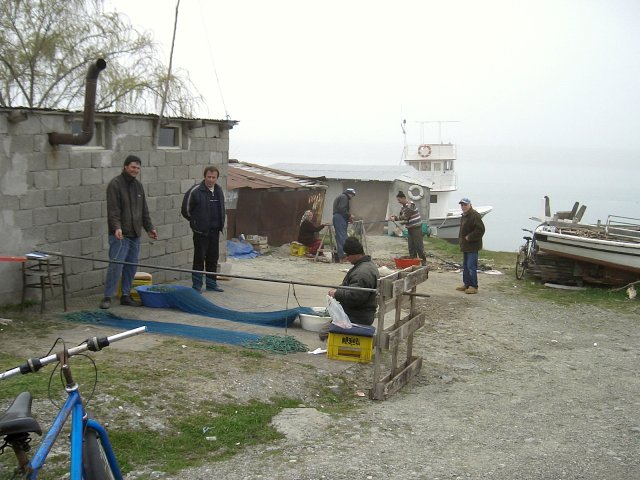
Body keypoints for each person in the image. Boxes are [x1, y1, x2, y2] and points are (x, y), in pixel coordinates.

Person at [100, 155, 158, 309]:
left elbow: (144, 210)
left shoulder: (138, 186)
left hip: (135, 234)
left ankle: (125, 295)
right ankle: (107, 297)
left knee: (131, 266)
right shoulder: (115, 184)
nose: (135, 170)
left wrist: (149, 228)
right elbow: (113, 210)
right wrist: (117, 227)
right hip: (120, 234)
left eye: (138, 168)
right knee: (116, 265)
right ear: (126, 167)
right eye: (133, 167)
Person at [319, 236, 379, 340]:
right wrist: (338, 289)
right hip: (363, 312)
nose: (346, 258)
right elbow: (353, 288)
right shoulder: (366, 265)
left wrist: (336, 293)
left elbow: (355, 297)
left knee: (323, 333)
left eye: (348, 255)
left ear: (355, 254)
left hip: (358, 315)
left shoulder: (362, 273)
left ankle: (357, 335)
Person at [181, 166, 226, 293]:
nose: (211, 180)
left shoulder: (219, 191)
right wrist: (196, 223)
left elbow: (221, 208)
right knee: (199, 259)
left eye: (213, 177)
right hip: (201, 233)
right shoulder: (195, 191)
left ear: (217, 178)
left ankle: (212, 284)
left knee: (213, 259)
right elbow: (186, 210)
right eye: (209, 177)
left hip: (215, 231)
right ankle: (197, 286)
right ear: (204, 176)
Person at [390, 190, 427, 265]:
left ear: (403, 198)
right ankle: (413, 262)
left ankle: (423, 262)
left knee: (419, 246)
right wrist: (394, 217)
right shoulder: (402, 207)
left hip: (416, 228)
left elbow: (405, 216)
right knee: (411, 247)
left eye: (399, 200)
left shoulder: (411, 205)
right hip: (410, 229)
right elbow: (404, 218)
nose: (398, 201)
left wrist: (396, 219)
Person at [457, 197, 485, 294]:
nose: (463, 207)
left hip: (473, 246)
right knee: (465, 266)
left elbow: (480, 230)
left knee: (471, 266)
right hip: (465, 246)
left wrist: (470, 237)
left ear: (470, 205)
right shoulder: (464, 215)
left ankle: (474, 286)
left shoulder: (475, 215)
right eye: (462, 205)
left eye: (465, 205)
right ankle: (466, 284)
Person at [332, 188, 356, 262]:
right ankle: (343, 256)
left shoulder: (341, 197)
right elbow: (342, 209)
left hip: (339, 217)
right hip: (339, 217)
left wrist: (348, 218)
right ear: (349, 193)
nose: (352, 197)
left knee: (340, 236)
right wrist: (349, 216)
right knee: (342, 236)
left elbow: (342, 210)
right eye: (352, 195)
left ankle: (338, 255)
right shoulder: (344, 197)